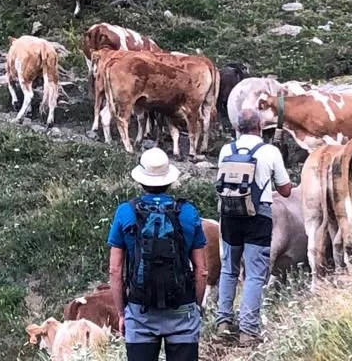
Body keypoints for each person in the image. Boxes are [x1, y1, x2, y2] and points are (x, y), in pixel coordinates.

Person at [108, 147, 208, 361]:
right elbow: (202, 271)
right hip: (182, 310)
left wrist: (121, 313)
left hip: (140, 310)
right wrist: (194, 307)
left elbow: (115, 270)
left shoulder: (125, 212)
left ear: (141, 180)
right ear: (169, 180)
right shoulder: (188, 212)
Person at [214, 107, 293, 346]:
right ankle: (248, 330)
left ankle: (223, 323)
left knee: (229, 268)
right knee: (255, 274)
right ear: (260, 127)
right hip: (258, 216)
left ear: (237, 128)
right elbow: (286, 190)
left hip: (229, 214)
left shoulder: (227, 149)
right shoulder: (269, 151)